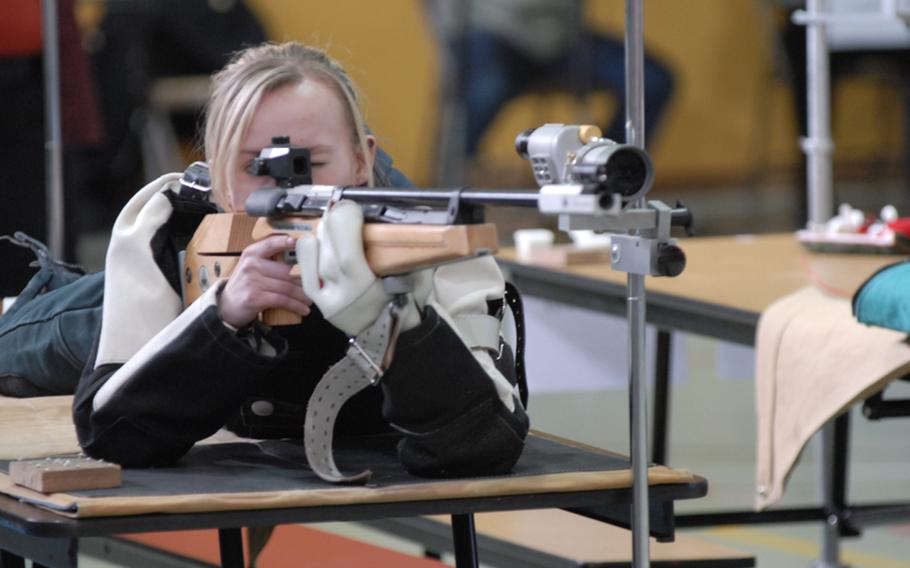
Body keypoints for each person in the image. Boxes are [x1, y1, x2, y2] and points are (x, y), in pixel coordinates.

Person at [69, 41, 529, 479]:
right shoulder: (170, 230)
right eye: (256, 166)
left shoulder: (429, 242)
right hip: (94, 308)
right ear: (217, 174)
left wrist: (393, 322)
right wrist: (221, 318)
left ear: (361, 161)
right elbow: (110, 434)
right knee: (36, 335)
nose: (287, 192)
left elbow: (486, 443)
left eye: (311, 162)